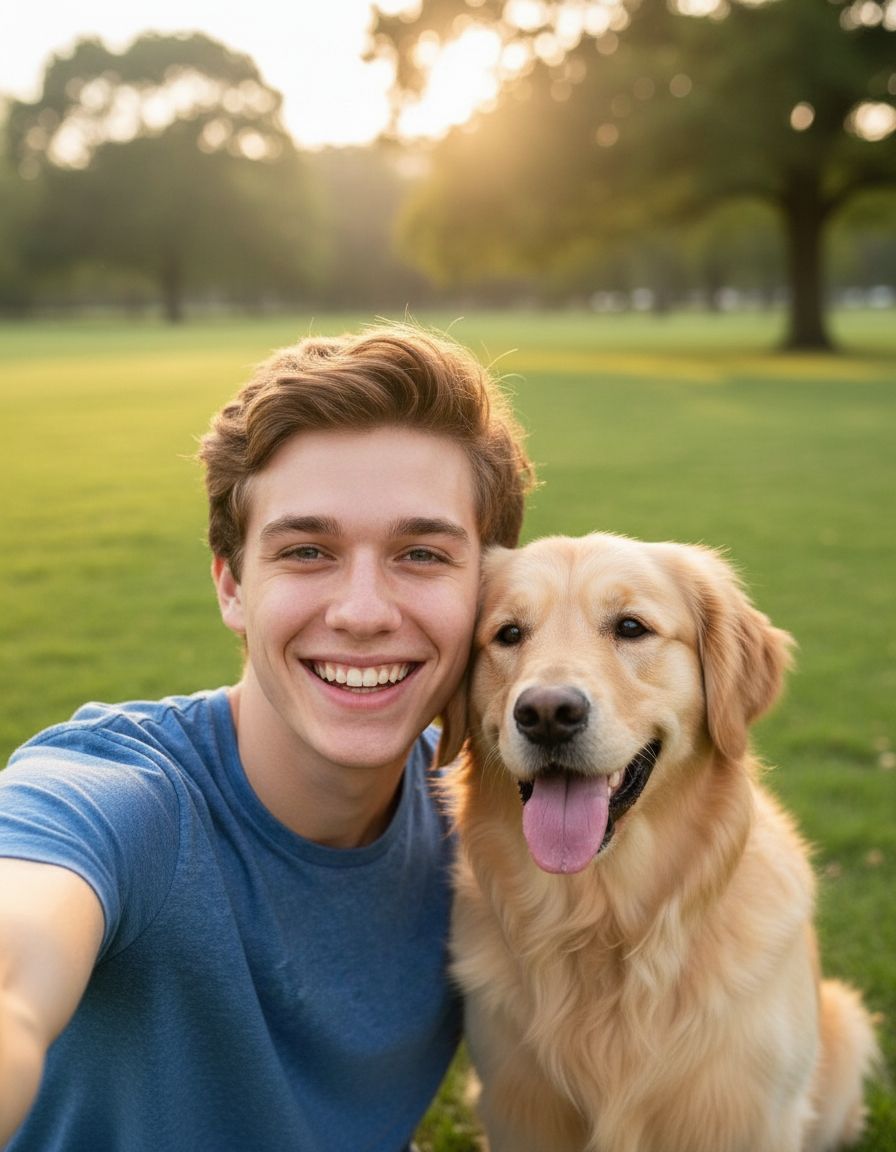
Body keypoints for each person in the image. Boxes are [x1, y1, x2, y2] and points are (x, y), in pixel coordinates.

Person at [0, 324, 534, 1152]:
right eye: (308, 550)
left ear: (489, 593)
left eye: (422, 553)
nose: (362, 611)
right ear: (233, 587)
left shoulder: (488, 827)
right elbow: (20, 943)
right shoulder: (121, 800)